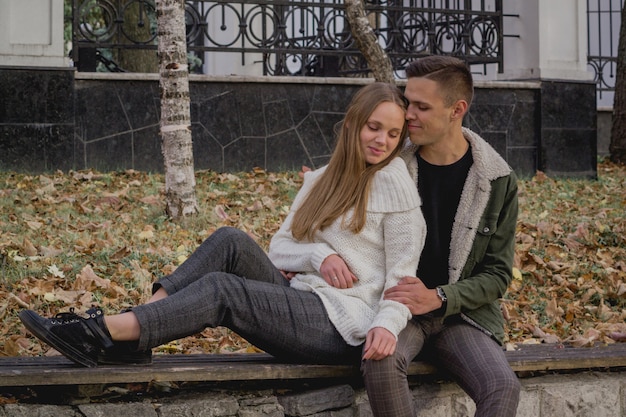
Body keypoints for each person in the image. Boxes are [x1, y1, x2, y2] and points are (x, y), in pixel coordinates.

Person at [18, 82, 427, 369]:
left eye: (393, 134)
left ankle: (103, 331)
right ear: (354, 123)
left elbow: (402, 276)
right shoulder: (320, 179)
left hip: (345, 326)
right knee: (230, 240)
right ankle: (131, 335)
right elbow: (281, 247)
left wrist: (386, 326)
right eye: (374, 127)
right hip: (304, 296)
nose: (382, 141)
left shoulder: (395, 184)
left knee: (221, 291)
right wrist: (320, 257)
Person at [360, 56, 521, 417]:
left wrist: (439, 297)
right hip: (397, 308)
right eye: (407, 103)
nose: (408, 115)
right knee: (380, 359)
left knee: (503, 386)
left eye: (421, 106)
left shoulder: (496, 180)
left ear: (456, 109)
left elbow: (497, 275)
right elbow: (336, 219)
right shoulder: (389, 164)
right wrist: (322, 255)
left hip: (460, 317)